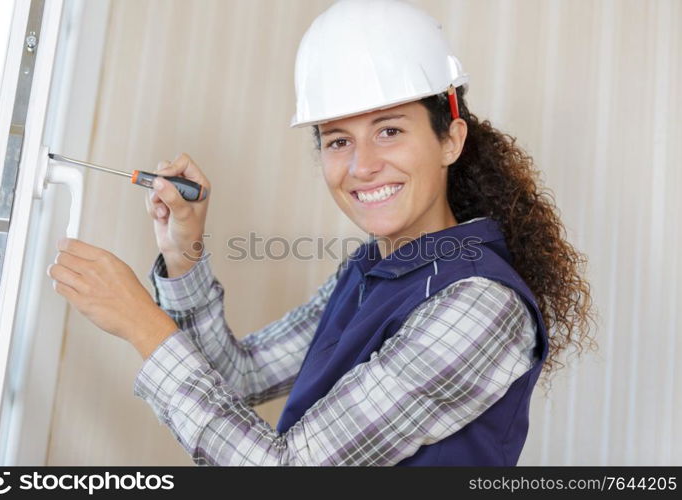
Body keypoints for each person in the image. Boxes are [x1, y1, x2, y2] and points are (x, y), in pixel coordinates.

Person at [48, 0, 596, 465]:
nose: (362, 166)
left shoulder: (479, 307)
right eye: (338, 140)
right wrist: (183, 251)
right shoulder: (372, 271)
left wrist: (141, 324)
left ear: (451, 140)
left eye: (389, 130)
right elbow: (238, 378)